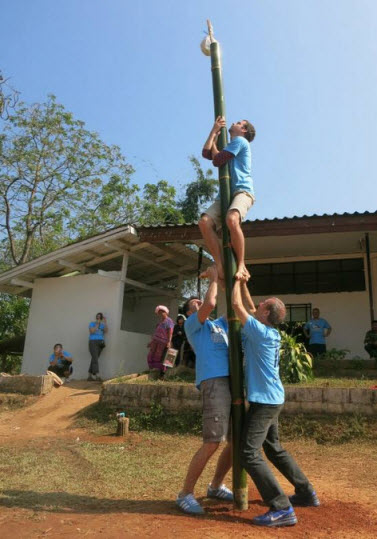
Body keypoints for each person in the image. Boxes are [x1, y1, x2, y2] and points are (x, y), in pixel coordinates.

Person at [232, 280, 320, 528]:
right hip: (274, 398)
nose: (257, 305)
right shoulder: (268, 331)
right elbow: (248, 304)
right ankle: (305, 492)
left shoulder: (258, 332)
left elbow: (237, 303)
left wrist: (231, 277)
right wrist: (243, 281)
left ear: (266, 313)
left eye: (262, 306)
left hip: (264, 402)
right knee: (274, 450)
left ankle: (281, 508)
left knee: (249, 453)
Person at [176, 265, 233, 515]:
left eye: (199, 301)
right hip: (214, 382)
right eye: (194, 303)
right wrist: (214, 279)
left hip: (232, 383)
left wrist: (230, 279)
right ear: (189, 312)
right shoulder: (192, 326)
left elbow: (233, 308)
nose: (199, 303)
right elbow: (210, 302)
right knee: (212, 442)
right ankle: (185, 493)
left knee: (235, 441)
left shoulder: (219, 324)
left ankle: (216, 485)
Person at [199, 116, 255, 282]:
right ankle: (219, 263)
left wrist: (216, 138)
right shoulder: (230, 146)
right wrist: (214, 132)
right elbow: (206, 153)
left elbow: (217, 160)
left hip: (242, 191)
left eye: (239, 123)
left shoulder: (240, 141)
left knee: (232, 219)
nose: (234, 123)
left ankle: (241, 264)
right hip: (224, 195)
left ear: (244, 130)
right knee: (204, 222)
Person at [147, 305, 174, 377]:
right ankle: (152, 369)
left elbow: (170, 332)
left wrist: (168, 342)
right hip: (155, 341)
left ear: (166, 312)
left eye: (162, 312)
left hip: (163, 342)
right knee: (150, 355)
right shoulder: (159, 323)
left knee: (159, 357)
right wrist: (151, 342)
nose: (161, 313)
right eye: (159, 312)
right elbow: (156, 333)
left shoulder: (169, 321)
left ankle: (159, 373)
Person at [88, 312, 108, 381]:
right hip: (93, 342)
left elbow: (106, 331)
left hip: (100, 342)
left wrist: (105, 322)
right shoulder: (92, 323)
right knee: (95, 358)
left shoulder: (102, 325)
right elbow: (92, 331)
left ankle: (90, 375)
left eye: (100, 317)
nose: (98, 318)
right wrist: (97, 324)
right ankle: (97, 375)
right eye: (97, 317)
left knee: (94, 358)